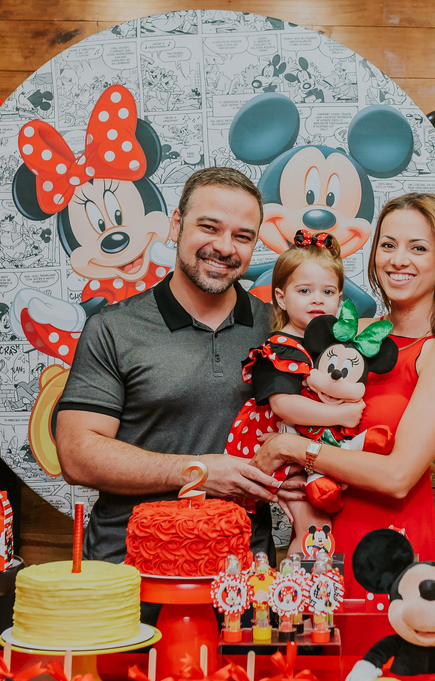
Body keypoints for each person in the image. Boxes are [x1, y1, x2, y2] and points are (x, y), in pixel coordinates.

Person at [54, 167, 305, 567]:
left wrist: (298, 470)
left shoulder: (277, 330)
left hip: (241, 569)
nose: (224, 247)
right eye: (209, 227)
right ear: (175, 225)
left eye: (243, 236)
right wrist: (198, 470)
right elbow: (76, 454)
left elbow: (308, 426)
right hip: (131, 565)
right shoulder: (114, 328)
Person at [251, 192, 435, 595]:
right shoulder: (351, 332)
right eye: (388, 245)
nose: (398, 259)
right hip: (315, 537)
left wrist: (293, 451)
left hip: (387, 544)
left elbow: (397, 476)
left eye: (418, 248)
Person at [224, 230, 364, 558]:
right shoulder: (280, 349)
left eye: (327, 291)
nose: (317, 299)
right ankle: (301, 597)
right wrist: (340, 415)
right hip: (272, 449)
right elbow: (284, 405)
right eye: (304, 291)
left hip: (305, 452)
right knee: (315, 528)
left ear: (339, 300)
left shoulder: (330, 350)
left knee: (315, 524)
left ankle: (299, 590)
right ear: (281, 298)